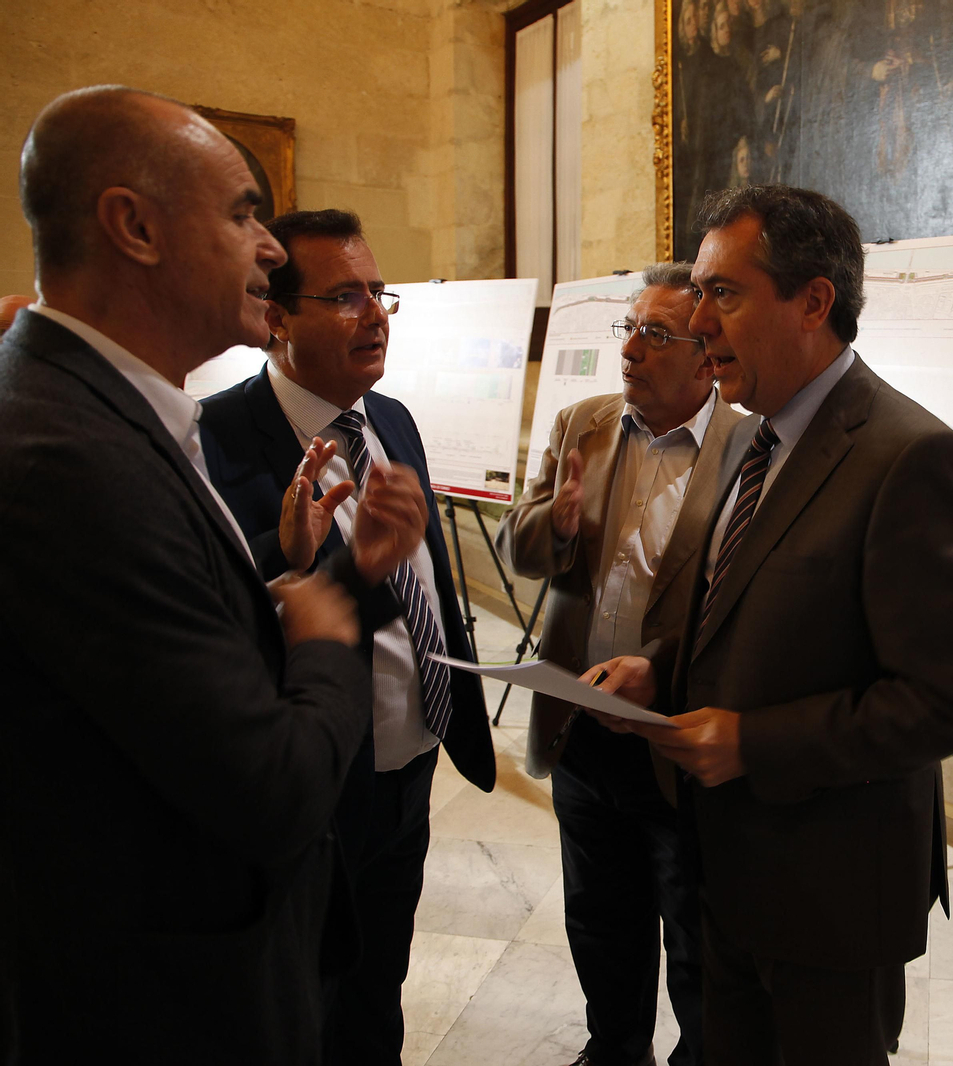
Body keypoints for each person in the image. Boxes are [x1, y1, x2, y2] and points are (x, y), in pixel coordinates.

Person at [0, 86, 428, 1063]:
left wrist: (297, 586)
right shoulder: (69, 457)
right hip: (154, 1002)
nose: (270, 249)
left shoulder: (98, 411)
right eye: (242, 213)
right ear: (134, 226)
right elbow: (273, 787)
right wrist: (321, 615)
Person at [588, 185, 953, 1066]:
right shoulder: (751, 435)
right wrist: (661, 670)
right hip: (726, 869)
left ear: (814, 301)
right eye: (698, 292)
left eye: (723, 294)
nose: (696, 323)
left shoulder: (912, 458)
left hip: (831, 894)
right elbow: (737, 606)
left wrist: (753, 743)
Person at [200, 208, 497, 1064]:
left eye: (378, 293)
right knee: (303, 1005)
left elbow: (424, 580)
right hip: (313, 785)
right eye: (343, 296)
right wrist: (285, 553)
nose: (373, 313)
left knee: (378, 994)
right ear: (276, 318)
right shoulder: (214, 441)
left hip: (408, 771)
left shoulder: (390, 418)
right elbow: (221, 614)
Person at [495, 261, 743, 1066]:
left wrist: (665, 679)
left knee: (693, 933)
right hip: (580, 724)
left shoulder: (747, 446)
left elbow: (744, 614)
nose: (631, 349)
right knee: (600, 918)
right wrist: (558, 524)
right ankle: (614, 1050)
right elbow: (520, 549)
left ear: (706, 356)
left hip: (674, 735)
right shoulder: (583, 424)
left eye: (656, 334)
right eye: (628, 328)